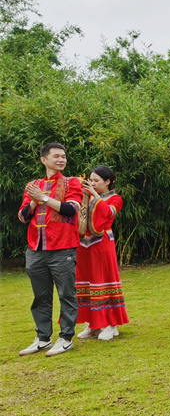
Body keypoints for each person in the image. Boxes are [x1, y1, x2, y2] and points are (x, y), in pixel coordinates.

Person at [17, 143, 83, 357]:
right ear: (44, 160)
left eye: (64, 156)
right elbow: (23, 216)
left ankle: (66, 338)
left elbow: (71, 209)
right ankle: (43, 338)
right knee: (40, 296)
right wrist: (35, 202)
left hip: (62, 248)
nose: (61, 160)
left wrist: (44, 198)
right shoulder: (33, 185)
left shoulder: (72, 182)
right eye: (56, 156)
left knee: (66, 294)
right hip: (35, 249)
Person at [75, 166, 129, 341]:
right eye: (90, 180)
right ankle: (93, 324)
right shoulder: (87, 196)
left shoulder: (115, 199)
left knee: (103, 279)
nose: (92, 183)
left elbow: (108, 213)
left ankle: (111, 324)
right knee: (88, 281)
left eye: (96, 180)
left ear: (108, 182)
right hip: (84, 244)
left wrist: (95, 195)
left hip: (102, 243)